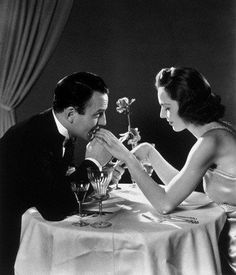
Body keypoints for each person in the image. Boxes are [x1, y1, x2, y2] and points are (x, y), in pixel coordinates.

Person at [94, 67, 236, 274]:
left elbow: (165, 204)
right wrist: (150, 153)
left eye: (167, 107)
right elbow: (179, 188)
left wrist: (127, 158)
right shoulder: (217, 133)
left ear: (187, 104)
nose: (162, 115)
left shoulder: (210, 142)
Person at [0, 71, 117, 274]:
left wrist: (102, 172)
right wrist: (93, 162)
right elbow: (54, 208)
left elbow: (61, 182)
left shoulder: (60, 128)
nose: (104, 122)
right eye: (98, 114)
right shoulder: (31, 138)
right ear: (71, 114)